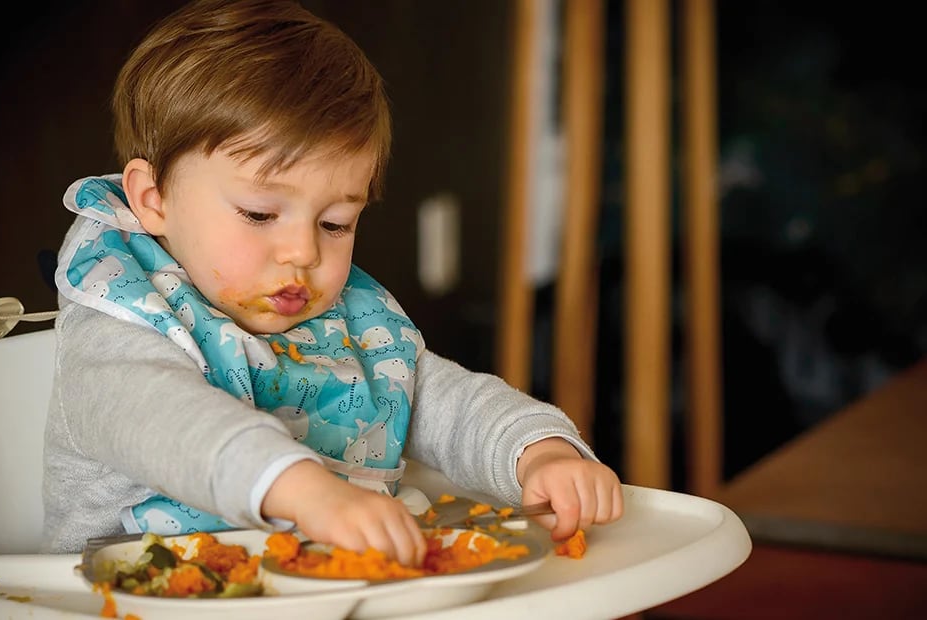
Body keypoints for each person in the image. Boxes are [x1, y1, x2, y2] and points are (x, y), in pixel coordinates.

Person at [42, 0, 622, 566]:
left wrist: (541, 454)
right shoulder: (116, 331)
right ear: (154, 199)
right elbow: (170, 422)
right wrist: (307, 491)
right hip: (130, 594)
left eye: (335, 223)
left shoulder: (343, 324)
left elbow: (451, 404)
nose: (303, 252)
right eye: (260, 214)